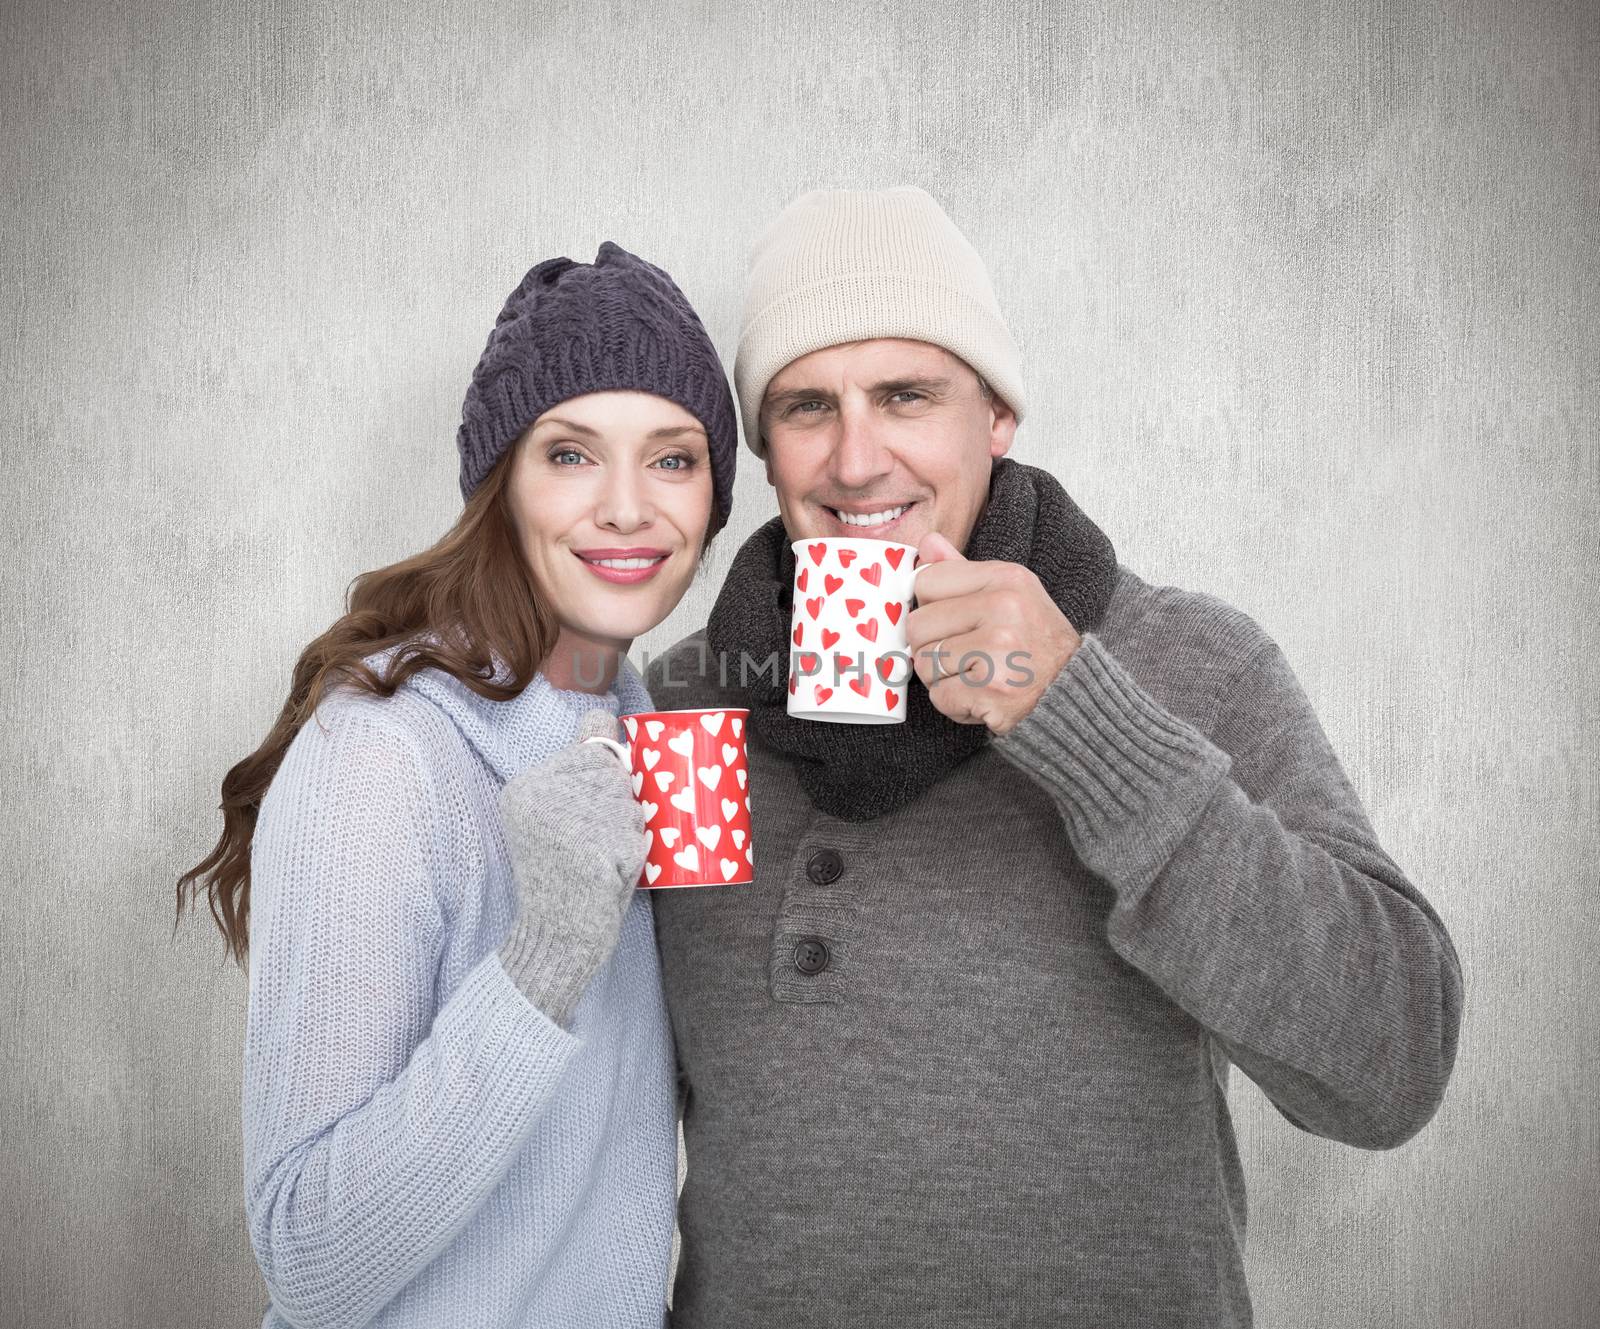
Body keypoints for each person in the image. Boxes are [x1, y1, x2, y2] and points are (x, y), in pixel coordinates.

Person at [644, 187, 1465, 1327]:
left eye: (906, 396)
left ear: (997, 418)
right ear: (764, 445)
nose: (855, 457)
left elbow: (1390, 1066)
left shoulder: (1197, 663)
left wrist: (1080, 716)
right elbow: (636, 1093)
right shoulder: (687, 709)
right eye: (803, 406)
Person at [174, 241, 738, 1328]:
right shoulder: (379, 755)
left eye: (672, 459)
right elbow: (309, 1263)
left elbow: (677, 1100)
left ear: (714, 497)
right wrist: (541, 962)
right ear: (500, 485)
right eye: (571, 455)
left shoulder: (651, 720)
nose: (629, 509)